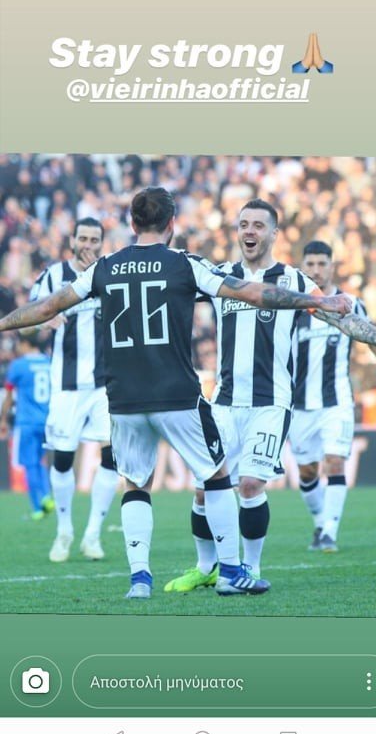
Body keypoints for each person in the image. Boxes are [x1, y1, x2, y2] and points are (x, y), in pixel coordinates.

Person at [0, 187, 351, 600]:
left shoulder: (104, 268)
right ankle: (230, 572)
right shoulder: (185, 263)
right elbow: (255, 293)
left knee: (135, 484)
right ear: (171, 224)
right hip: (177, 394)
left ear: (132, 223)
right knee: (217, 477)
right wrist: (318, 299)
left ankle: (140, 580)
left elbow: (47, 307)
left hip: (124, 398)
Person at [165, 203, 376, 593]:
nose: (250, 231)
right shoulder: (221, 276)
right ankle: (206, 566)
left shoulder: (293, 279)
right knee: (204, 489)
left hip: (270, 403)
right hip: (224, 401)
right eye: (244, 224)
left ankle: (250, 567)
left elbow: (342, 319)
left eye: (258, 225)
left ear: (274, 234)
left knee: (250, 486)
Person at [289, 240, 376, 552]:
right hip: (299, 404)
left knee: (335, 463)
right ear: (303, 267)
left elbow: (374, 343)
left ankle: (329, 532)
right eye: (310, 264)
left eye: (321, 264)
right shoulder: (293, 307)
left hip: (337, 401)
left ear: (332, 266)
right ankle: (320, 522)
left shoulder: (350, 303)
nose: (316, 270)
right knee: (307, 472)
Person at [29, 218, 117, 563]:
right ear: (72, 240)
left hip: (105, 385)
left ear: (102, 243)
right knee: (63, 459)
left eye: (95, 240)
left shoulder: (110, 274)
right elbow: (26, 324)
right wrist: (42, 320)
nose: (88, 245)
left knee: (112, 457)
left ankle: (93, 534)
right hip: (66, 387)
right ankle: (64, 530)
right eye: (83, 238)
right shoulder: (53, 276)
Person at [0, 332, 54, 520]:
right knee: (40, 461)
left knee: (29, 464)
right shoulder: (49, 362)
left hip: (27, 422)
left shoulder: (18, 365)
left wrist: (3, 419)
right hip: (47, 421)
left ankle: (38, 507)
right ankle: (47, 496)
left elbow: (9, 396)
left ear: (25, 344)